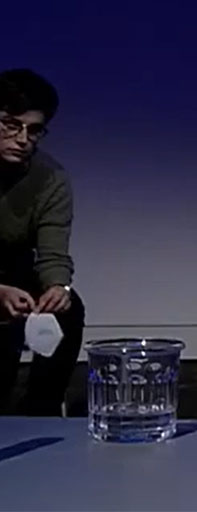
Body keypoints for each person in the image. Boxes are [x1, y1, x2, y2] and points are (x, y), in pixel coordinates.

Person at [0, 69, 84, 416]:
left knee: (68, 308)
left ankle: (42, 409)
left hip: (13, 266)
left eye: (34, 131)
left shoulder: (50, 179)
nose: (23, 139)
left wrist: (58, 287)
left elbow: (53, 250)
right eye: (9, 125)